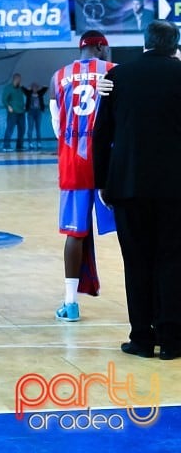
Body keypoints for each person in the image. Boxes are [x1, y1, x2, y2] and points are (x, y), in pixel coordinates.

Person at [94, 20, 181, 360]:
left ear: (144, 42)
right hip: (176, 189)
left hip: (128, 185)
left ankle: (142, 339)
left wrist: (101, 181)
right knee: (173, 261)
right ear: (174, 44)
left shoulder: (117, 77)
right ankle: (173, 340)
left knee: (137, 261)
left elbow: (102, 134)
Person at [48, 30, 116, 322]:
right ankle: (146, 303)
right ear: (100, 47)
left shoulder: (58, 76)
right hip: (109, 163)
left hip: (73, 161)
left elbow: (55, 124)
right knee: (128, 232)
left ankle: (70, 304)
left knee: (74, 234)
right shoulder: (114, 72)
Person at [1, 73, 25, 151]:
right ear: (15, 79)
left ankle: (19, 145)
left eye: (20, 79)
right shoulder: (8, 88)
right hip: (13, 112)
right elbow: (4, 99)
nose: (19, 81)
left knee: (22, 129)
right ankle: (6, 145)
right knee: (10, 129)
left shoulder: (20, 89)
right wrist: (8, 106)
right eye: (18, 79)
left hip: (21, 112)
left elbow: (21, 99)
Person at [21, 82, 48, 150]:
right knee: (30, 128)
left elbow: (45, 87)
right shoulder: (29, 93)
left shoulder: (40, 93)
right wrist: (28, 87)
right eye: (33, 87)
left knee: (38, 128)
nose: (35, 89)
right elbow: (22, 88)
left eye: (36, 87)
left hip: (38, 112)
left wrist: (40, 87)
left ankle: (39, 143)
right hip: (31, 112)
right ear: (31, 88)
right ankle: (30, 143)